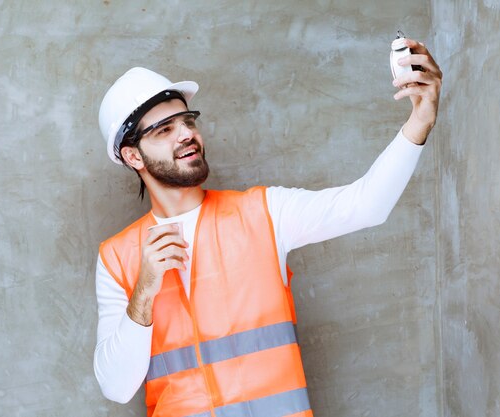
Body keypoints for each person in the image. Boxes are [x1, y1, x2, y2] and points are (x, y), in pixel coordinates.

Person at [93, 38, 442, 417]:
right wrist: (144, 291)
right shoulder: (117, 258)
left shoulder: (263, 212)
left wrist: (419, 120)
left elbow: (366, 204)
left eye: (187, 121)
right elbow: (116, 387)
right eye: (164, 130)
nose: (186, 134)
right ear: (132, 155)